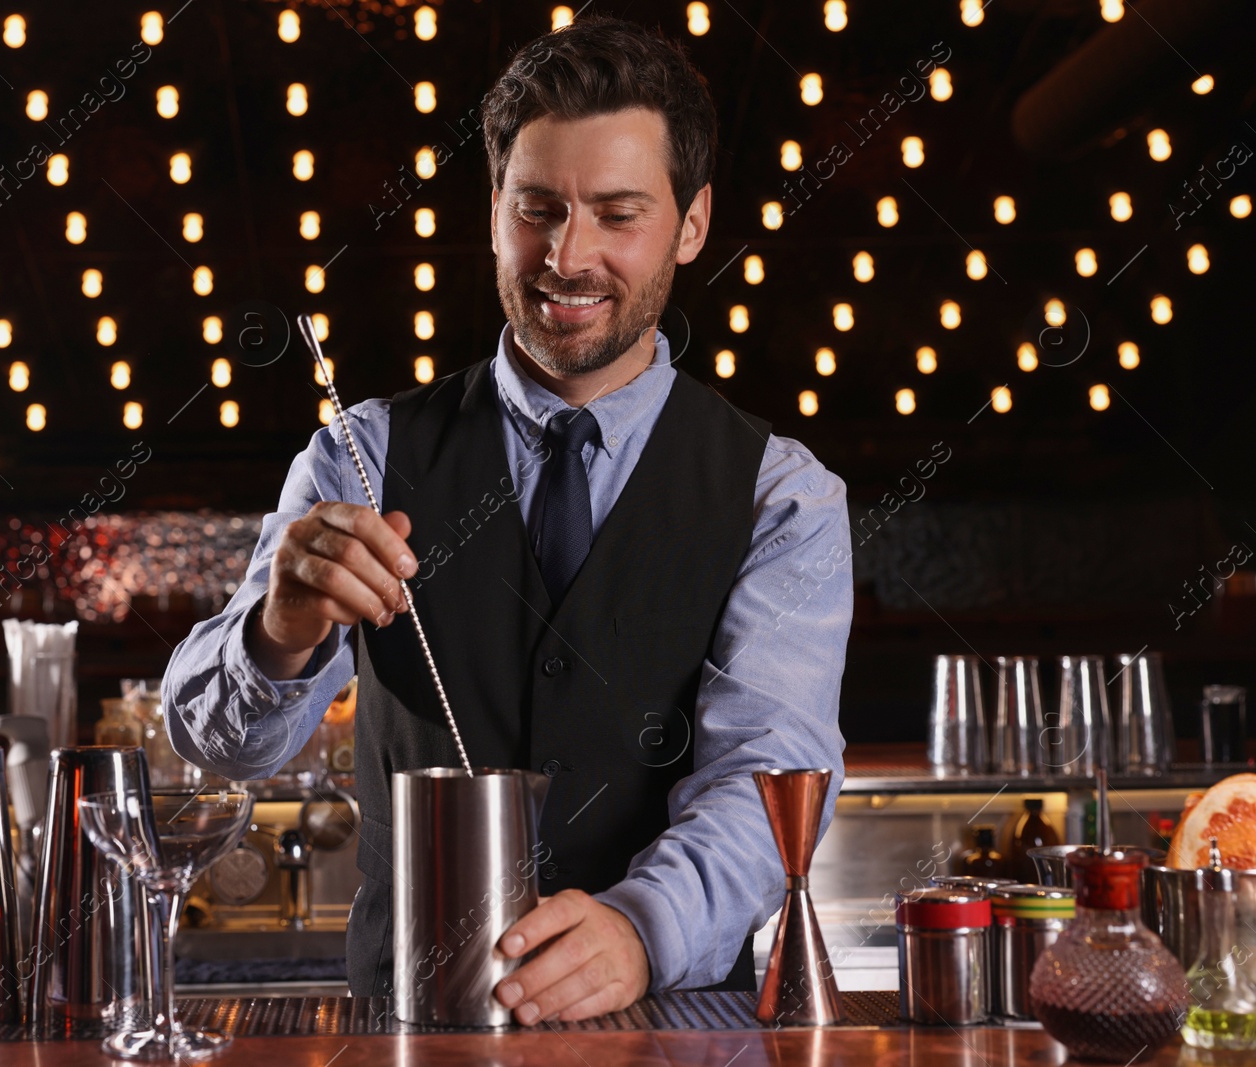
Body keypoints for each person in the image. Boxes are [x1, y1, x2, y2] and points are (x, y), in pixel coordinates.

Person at [162, 15, 851, 1024]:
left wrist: (641, 925)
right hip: (410, 1027)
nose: (566, 257)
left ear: (692, 223)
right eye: (536, 210)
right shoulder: (360, 453)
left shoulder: (779, 495)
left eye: (617, 214)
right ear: (493, 210)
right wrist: (279, 631)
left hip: (669, 1031)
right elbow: (214, 748)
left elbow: (769, 771)